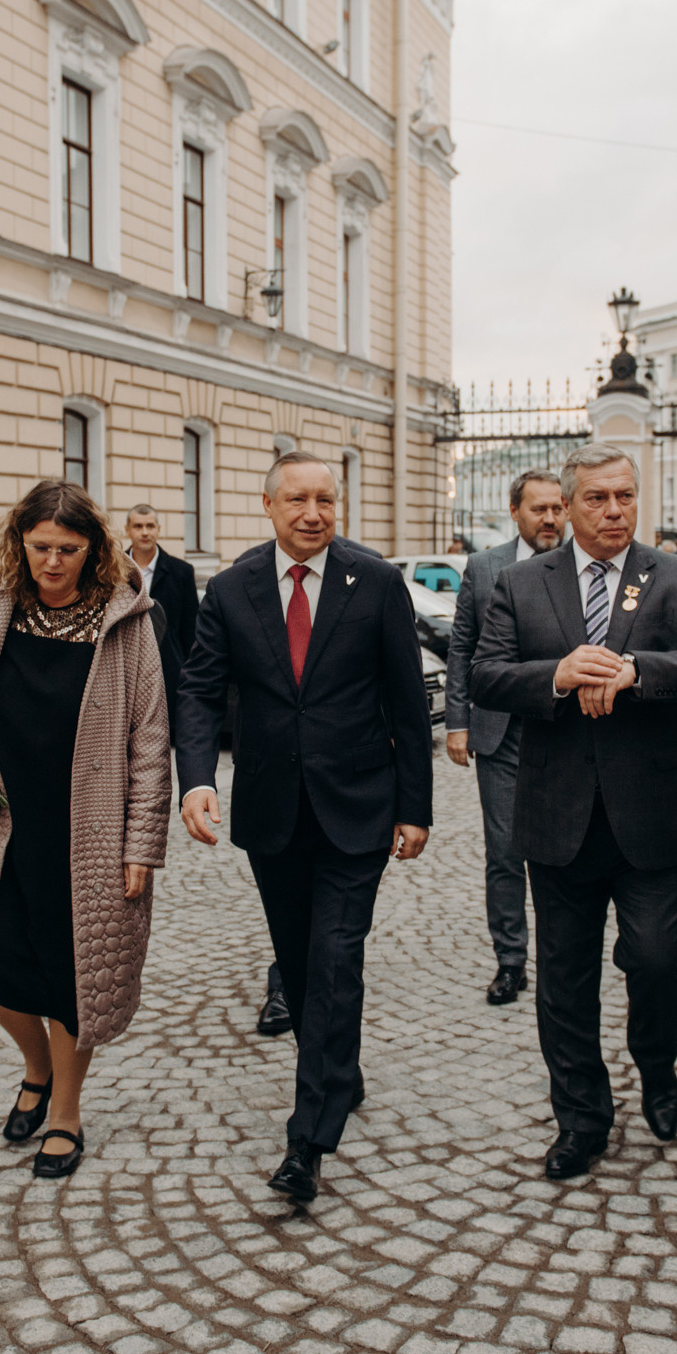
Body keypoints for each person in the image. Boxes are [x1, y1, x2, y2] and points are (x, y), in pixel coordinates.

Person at [175, 452, 432, 1204]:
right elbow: (198, 692)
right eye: (297, 500)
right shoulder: (230, 589)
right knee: (297, 963)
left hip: (359, 807)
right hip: (271, 812)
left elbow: (407, 701)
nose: (312, 513)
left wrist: (414, 807)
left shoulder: (376, 582)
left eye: (325, 499)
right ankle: (339, 1075)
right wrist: (195, 779)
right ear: (268, 505)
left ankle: (307, 1142)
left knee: (332, 963)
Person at [469, 443, 677, 1182]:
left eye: (624, 497)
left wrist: (635, 670)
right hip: (559, 816)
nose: (614, 511)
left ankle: (657, 1062)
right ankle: (582, 1117)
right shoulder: (521, 585)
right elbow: (485, 675)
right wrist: (555, 674)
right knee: (565, 979)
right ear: (571, 504)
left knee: (656, 958)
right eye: (597, 499)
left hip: (657, 814)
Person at [0, 480, 171, 1179]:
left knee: (72, 977)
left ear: (94, 549)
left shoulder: (129, 621)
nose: (53, 561)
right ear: (19, 543)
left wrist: (142, 845)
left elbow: (150, 740)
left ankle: (65, 1108)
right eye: (40, 546)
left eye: (69, 549)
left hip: (85, 830)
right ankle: (36, 1064)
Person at [443, 467, 569, 1006]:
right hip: (499, 734)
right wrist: (457, 721)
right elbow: (462, 647)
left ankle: (563, 957)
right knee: (504, 852)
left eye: (557, 508)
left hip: (564, 731)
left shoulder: (580, 566)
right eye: (539, 508)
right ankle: (511, 960)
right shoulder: (485, 566)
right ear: (515, 511)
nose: (550, 518)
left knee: (562, 852)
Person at [123, 502, 198, 662]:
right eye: (138, 526)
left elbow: (191, 630)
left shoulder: (182, 572)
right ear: (127, 530)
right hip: (125, 666)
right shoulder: (113, 570)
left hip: (169, 671)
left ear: (158, 530)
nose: (145, 532)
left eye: (150, 526)